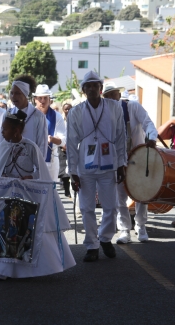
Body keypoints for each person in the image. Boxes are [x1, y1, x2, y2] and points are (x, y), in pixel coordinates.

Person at [0, 110, 76, 280]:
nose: (2, 133)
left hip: (27, 195)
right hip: (5, 197)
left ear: (16, 131)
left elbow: (40, 172)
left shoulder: (31, 147)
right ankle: (3, 270)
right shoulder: (3, 147)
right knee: (5, 231)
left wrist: (30, 177)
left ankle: (30, 269)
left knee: (26, 231)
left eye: (5, 129)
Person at [66, 71, 126, 262]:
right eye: (88, 86)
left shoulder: (114, 107)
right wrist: (73, 171)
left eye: (95, 85)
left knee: (111, 206)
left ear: (101, 89)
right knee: (87, 208)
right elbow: (71, 143)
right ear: (83, 90)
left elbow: (120, 137)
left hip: (109, 165)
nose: (92, 88)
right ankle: (92, 245)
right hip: (86, 167)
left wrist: (121, 164)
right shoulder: (76, 112)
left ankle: (106, 238)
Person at [102, 83, 157, 243]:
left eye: (113, 94)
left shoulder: (132, 107)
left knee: (141, 193)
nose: (111, 98)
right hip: (118, 159)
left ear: (119, 95)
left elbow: (148, 123)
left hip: (137, 156)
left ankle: (141, 226)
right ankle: (125, 230)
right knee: (120, 196)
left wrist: (152, 138)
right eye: (107, 96)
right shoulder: (104, 114)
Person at [6, 75, 48, 153]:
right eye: (11, 93)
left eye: (17, 93)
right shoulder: (7, 114)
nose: (13, 96)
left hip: (30, 163)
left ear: (25, 95)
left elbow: (42, 146)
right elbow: (2, 143)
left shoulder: (38, 116)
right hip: (10, 163)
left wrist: (37, 165)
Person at [34, 84, 66, 182]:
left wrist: (51, 139)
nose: (43, 101)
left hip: (51, 161)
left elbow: (63, 141)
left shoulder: (57, 116)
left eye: (45, 98)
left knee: (50, 192)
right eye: (40, 98)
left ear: (49, 99)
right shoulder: (29, 115)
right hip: (33, 160)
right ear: (35, 99)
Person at [58, 102, 73, 197]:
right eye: (66, 109)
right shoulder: (61, 120)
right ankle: (66, 190)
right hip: (62, 148)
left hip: (72, 148)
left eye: (69, 109)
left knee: (71, 170)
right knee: (64, 170)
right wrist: (63, 145)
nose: (67, 111)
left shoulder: (75, 119)